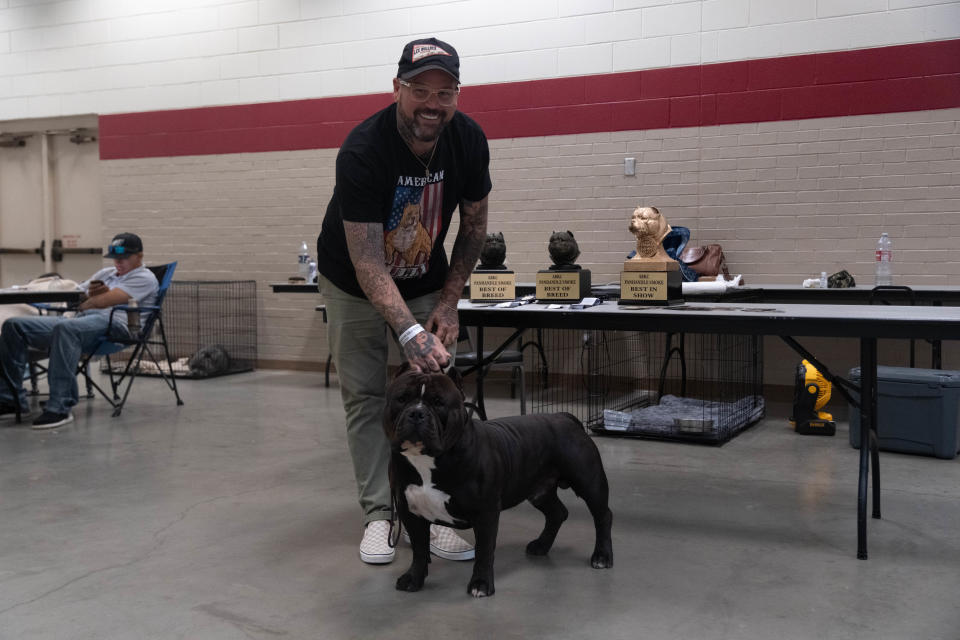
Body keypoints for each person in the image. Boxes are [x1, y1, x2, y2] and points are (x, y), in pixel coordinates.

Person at [316, 37, 490, 564]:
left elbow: (475, 228)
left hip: (423, 281)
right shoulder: (363, 149)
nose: (433, 103)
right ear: (397, 89)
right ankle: (379, 514)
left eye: (446, 92)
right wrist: (407, 332)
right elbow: (368, 262)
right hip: (350, 282)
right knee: (368, 399)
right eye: (420, 90)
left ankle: (436, 511)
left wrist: (449, 302)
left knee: (437, 396)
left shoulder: (469, 140)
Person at [0, 232, 159, 429]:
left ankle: (60, 406)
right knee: (14, 325)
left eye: (124, 257)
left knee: (65, 328)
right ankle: (10, 398)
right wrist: (82, 300)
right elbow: (74, 295)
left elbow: (103, 301)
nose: (119, 262)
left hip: (116, 326)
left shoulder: (145, 278)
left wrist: (87, 301)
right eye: (115, 257)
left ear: (139, 256)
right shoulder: (105, 274)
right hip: (82, 322)